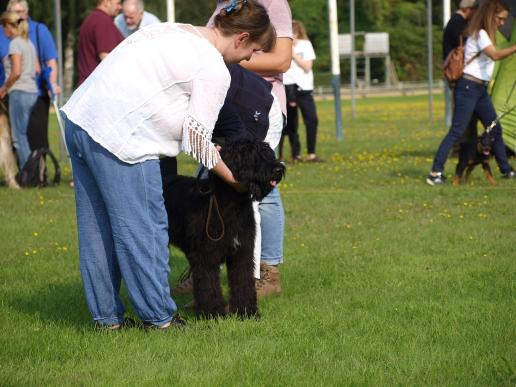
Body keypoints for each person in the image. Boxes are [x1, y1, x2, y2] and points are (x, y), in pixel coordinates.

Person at [61, 0, 275, 330]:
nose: (248, 60)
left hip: (80, 119)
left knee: (97, 232)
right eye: (253, 51)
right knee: (146, 227)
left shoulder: (172, 30)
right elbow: (197, 138)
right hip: (124, 138)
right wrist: (233, 179)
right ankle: (158, 318)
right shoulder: (213, 68)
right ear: (242, 37)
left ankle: (107, 320)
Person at [207, 0, 292, 298]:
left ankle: (268, 270)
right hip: (224, 106)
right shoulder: (224, 5)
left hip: (260, 103)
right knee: (210, 183)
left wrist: (227, 56)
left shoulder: (272, 3)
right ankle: (209, 264)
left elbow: (281, 60)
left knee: (261, 182)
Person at [427, 0, 516, 185]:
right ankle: (435, 173)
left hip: (479, 89)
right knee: (457, 131)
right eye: (500, 19)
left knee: (495, 129)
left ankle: (507, 171)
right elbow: (495, 55)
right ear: (491, 16)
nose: (502, 23)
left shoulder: (486, 34)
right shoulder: (481, 33)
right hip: (468, 87)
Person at [1, 0, 59, 154]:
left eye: (20, 13)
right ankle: (28, 173)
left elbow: (49, 61)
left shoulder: (37, 32)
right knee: (17, 140)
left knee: (29, 138)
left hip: (28, 92)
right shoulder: (8, 35)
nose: (18, 17)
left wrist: (52, 83)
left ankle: (32, 173)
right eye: (14, 13)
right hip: (16, 93)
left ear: (26, 13)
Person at [0, 11, 38, 170]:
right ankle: (33, 171)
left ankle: (27, 174)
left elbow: (16, 72)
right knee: (24, 135)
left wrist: (3, 88)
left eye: (3, 27)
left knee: (18, 137)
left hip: (19, 92)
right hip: (32, 91)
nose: (3, 31)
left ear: (9, 26)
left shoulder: (15, 43)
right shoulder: (28, 42)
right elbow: (36, 69)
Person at [281, 19, 322, 163]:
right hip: (288, 87)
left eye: (294, 32)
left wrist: (294, 55)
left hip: (304, 88)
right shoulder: (281, 46)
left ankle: (311, 153)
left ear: (298, 33)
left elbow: (307, 67)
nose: (291, 36)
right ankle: (295, 154)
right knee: (291, 123)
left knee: (312, 120)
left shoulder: (306, 45)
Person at [442, 0, 478, 131]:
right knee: (463, 116)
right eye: (474, 11)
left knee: (464, 115)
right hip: (458, 74)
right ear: (468, 9)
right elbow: (465, 47)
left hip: (456, 74)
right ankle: (459, 148)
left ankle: (464, 146)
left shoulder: (454, 21)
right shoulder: (458, 23)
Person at [78, 0, 124, 85]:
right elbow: (107, 58)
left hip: (90, 85)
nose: (120, 7)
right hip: (99, 87)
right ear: (106, 2)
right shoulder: (102, 21)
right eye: (118, 3)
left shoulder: (93, 18)